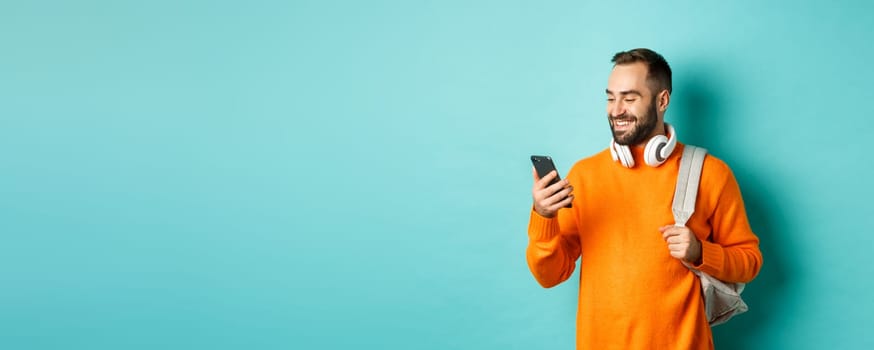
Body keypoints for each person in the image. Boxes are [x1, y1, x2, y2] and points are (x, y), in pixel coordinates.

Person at [526, 48, 763, 349]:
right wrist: (543, 216)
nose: (616, 109)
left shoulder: (709, 173)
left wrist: (701, 252)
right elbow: (549, 275)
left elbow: (750, 262)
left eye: (629, 97)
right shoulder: (585, 175)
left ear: (662, 100)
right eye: (611, 97)